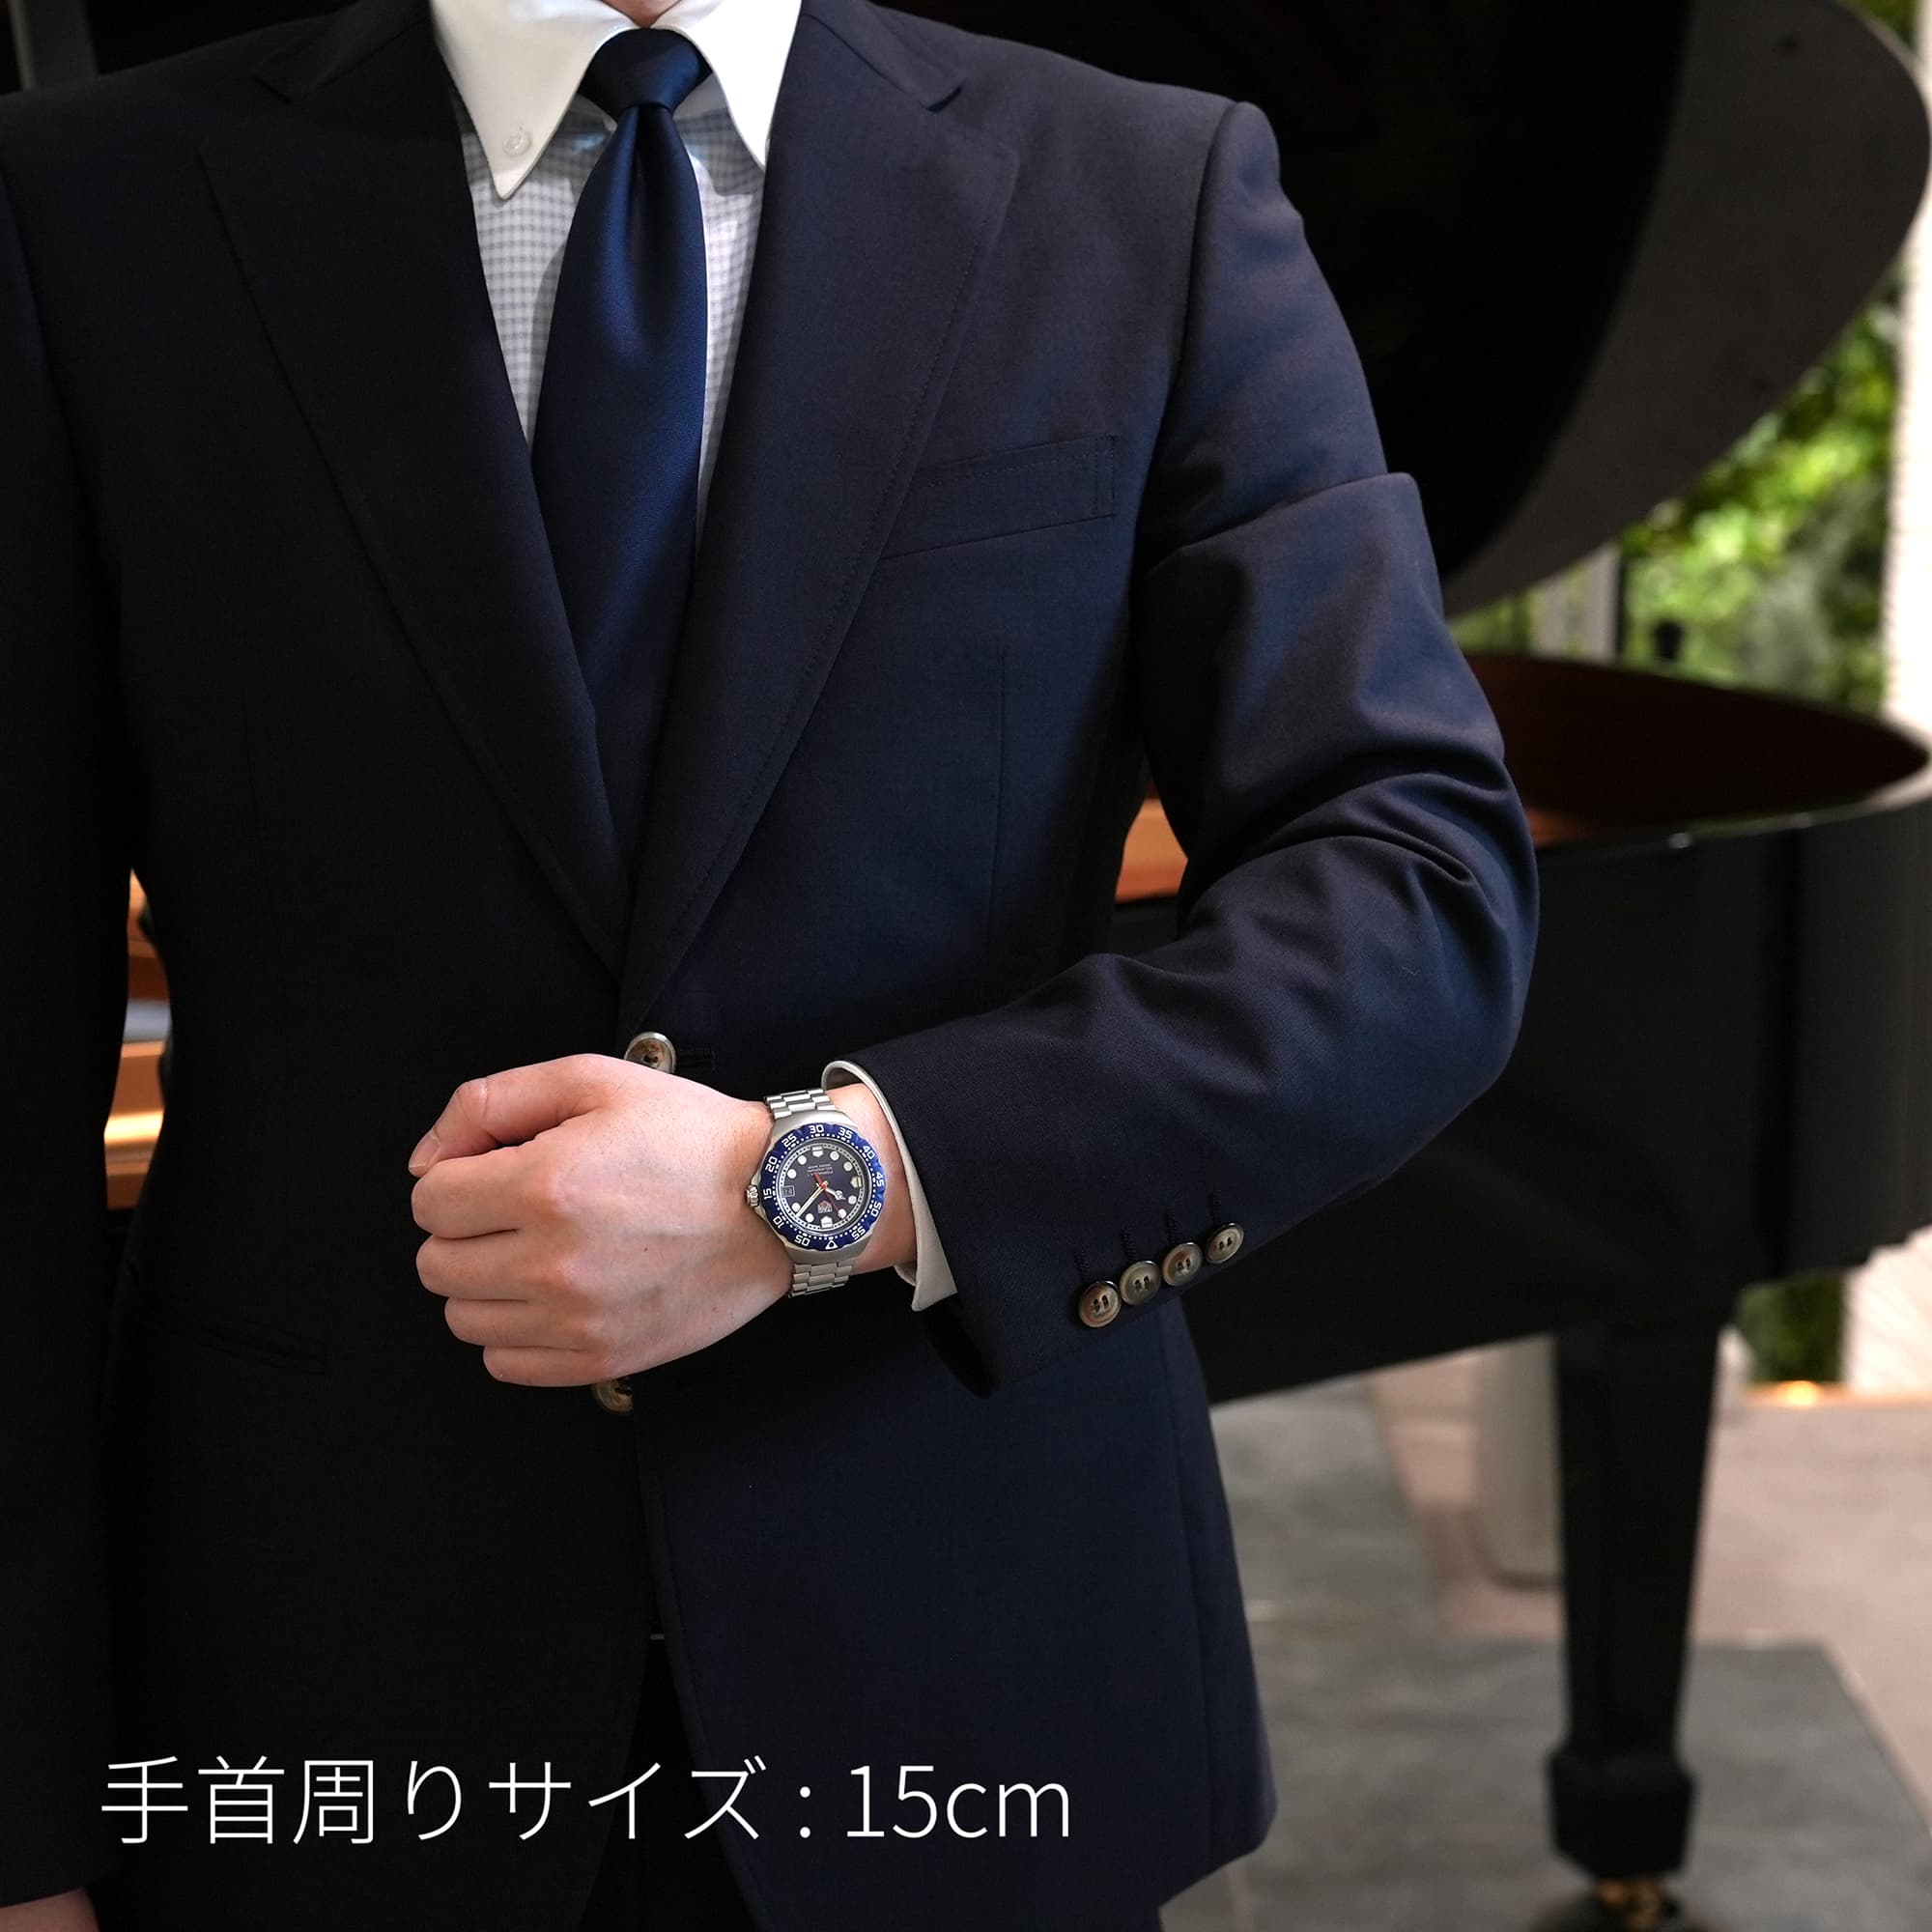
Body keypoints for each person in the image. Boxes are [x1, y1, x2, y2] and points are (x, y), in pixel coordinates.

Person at [0, 0, 1540, 1922]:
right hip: (311, 1674)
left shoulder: (1145, 194)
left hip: (968, 1659)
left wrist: (822, 1181)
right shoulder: (87, 202)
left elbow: (1416, 894)